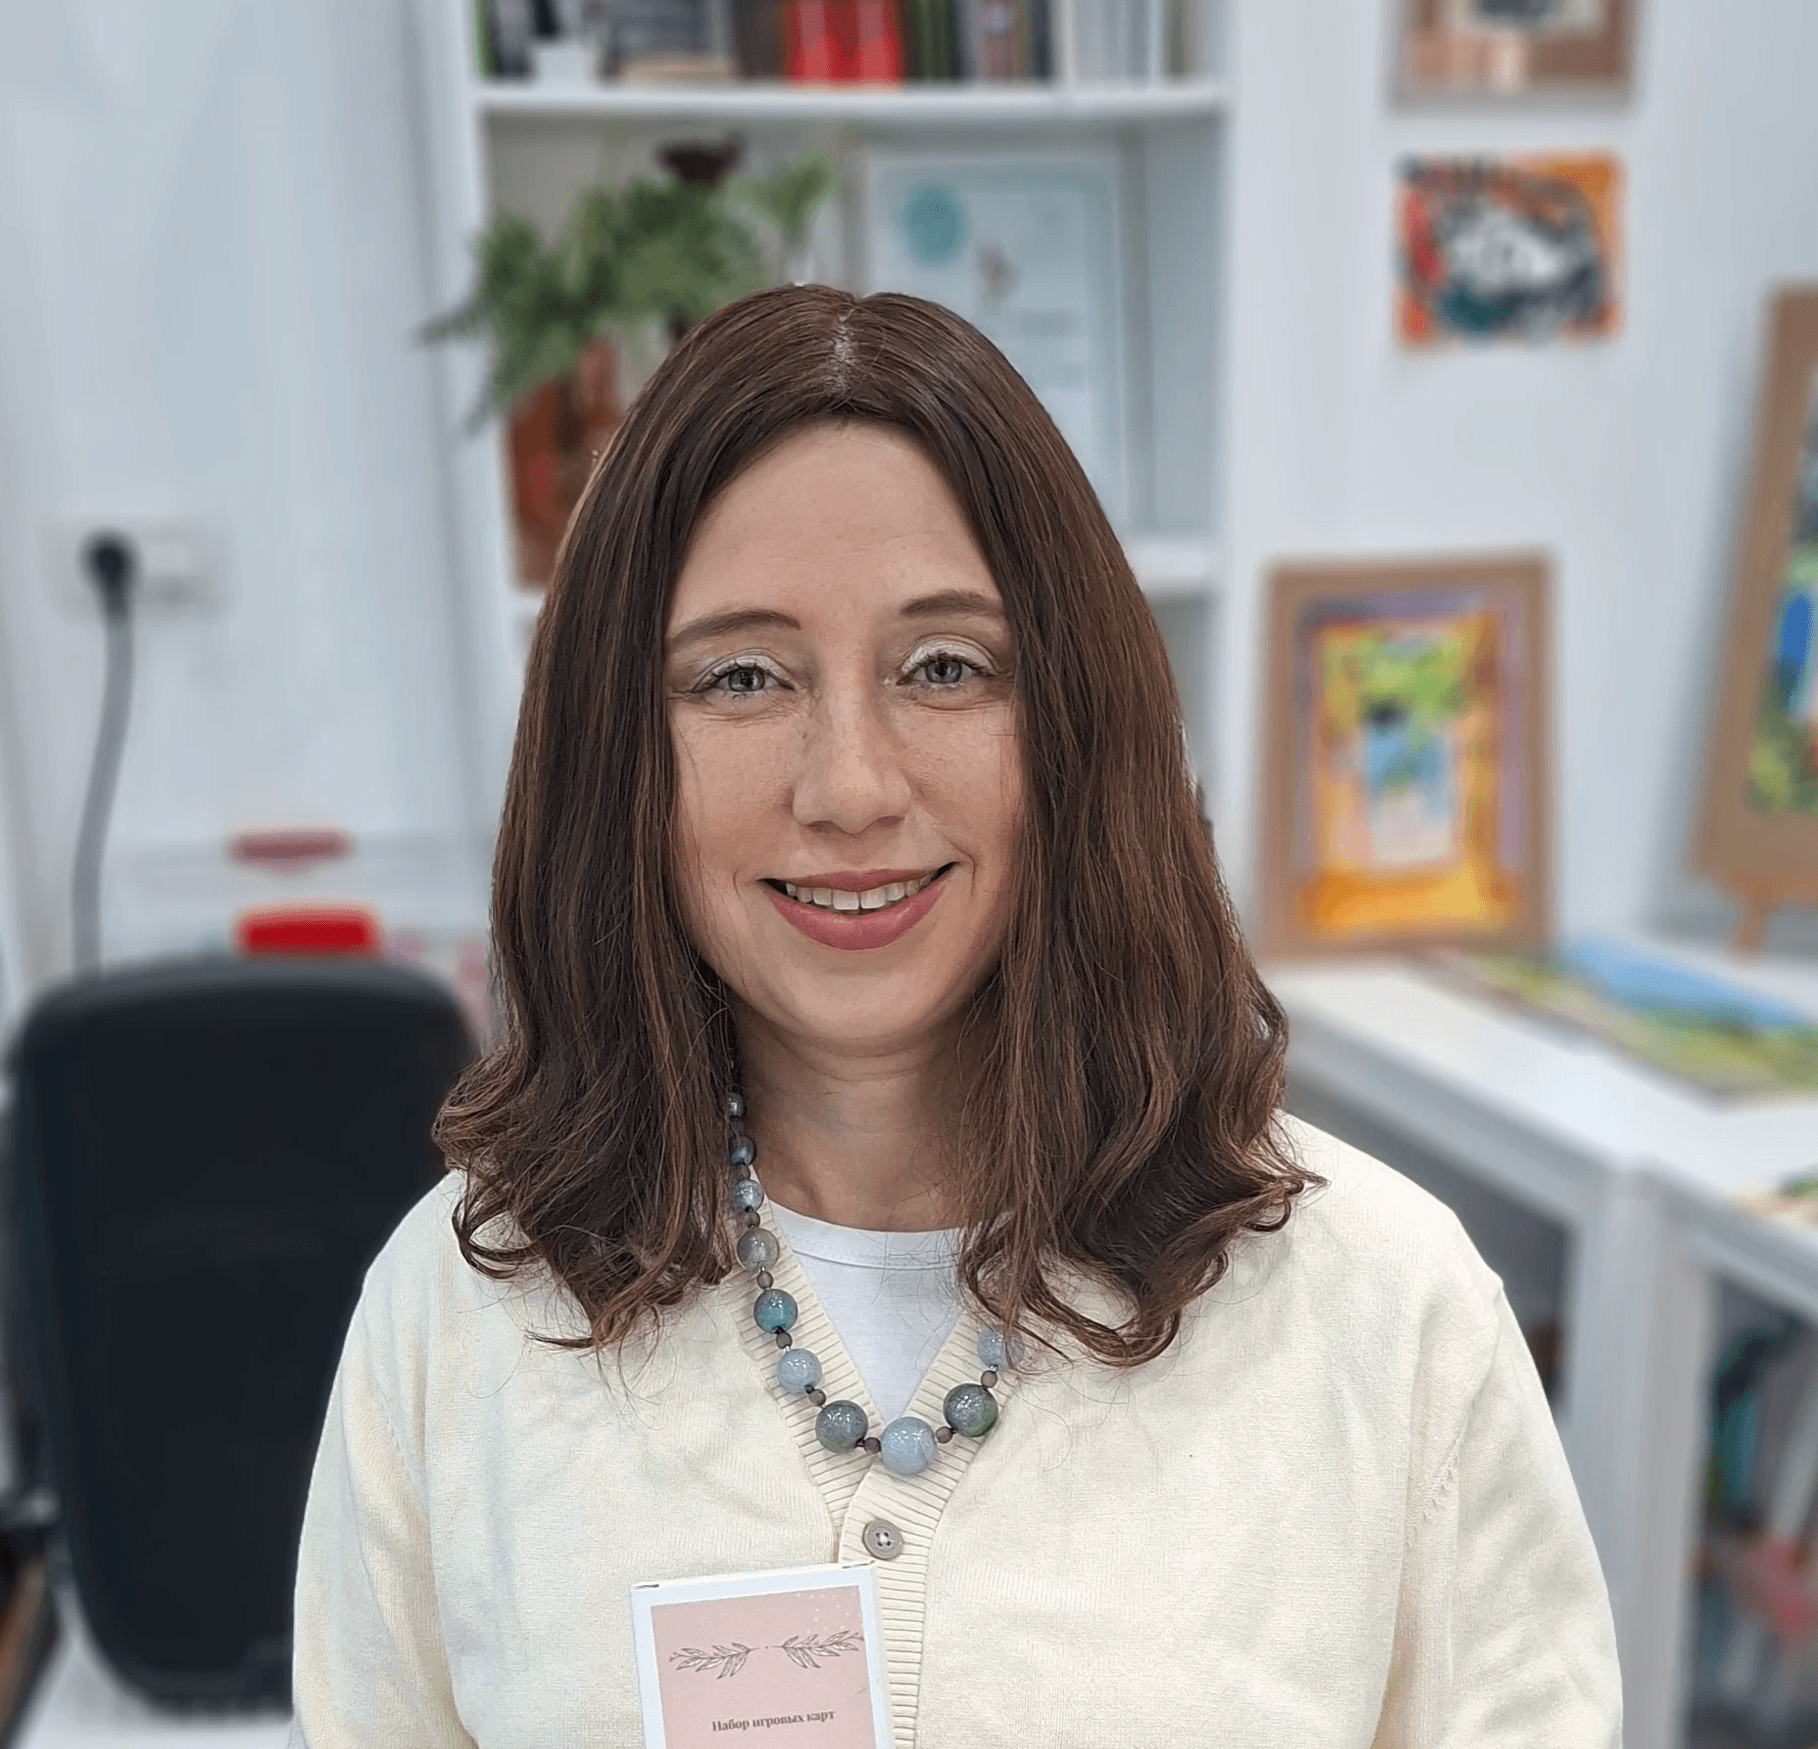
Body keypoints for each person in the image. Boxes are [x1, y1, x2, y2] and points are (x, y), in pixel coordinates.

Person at [289, 285, 1621, 1746]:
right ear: (618, 753)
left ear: (1071, 720)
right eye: (740, 675)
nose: (850, 785)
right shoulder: (456, 1321)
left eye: (944, 668)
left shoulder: (1391, 1319)